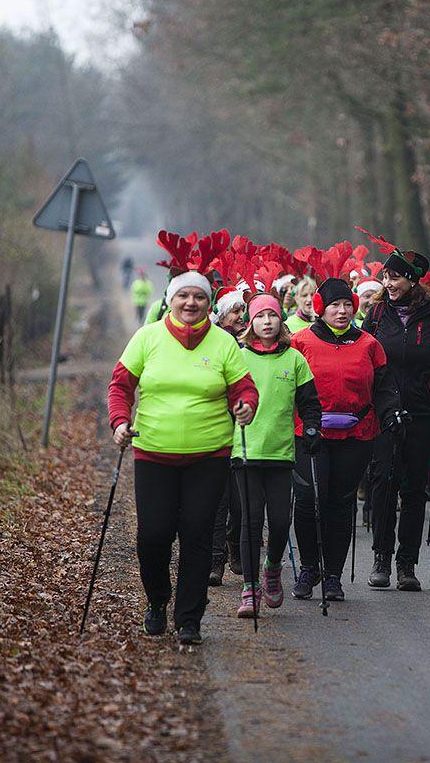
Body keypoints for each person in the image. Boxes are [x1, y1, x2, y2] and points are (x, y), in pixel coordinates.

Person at [108, 231, 258, 645]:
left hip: (208, 456)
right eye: (183, 297)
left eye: (199, 298)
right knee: (153, 536)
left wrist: (246, 405)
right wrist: (120, 421)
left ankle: (189, 618)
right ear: (170, 300)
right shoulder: (148, 338)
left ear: (209, 304)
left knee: (195, 535)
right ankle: (157, 600)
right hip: (153, 452)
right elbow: (120, 386)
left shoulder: (224, 343)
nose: (190, 303)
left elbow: (244, 388)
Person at [290, 278, 400, 600]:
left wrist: (392, 413)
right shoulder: (300, 342)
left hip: (356, 434)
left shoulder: (369, 344)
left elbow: (384, 386)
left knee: (341, 503)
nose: (342, 311)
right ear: (321, 308)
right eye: (335, 306)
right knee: (311, 499)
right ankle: (310, 568)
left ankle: (333, 576)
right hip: (310, 433)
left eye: (347, 306)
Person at [361, 248, 430, 590]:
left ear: (412, 280)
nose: (388, 283)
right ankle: (381, 557)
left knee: (415, 488)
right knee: (384, 481)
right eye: (386, 277)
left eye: (396, 277)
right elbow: (361, 356)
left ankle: (407, 562)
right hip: (384, 411)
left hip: (422, 412)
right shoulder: (375, 315)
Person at [231, 283, 321, 618]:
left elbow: (310, 404)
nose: (267, 321)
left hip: (282, 453)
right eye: (260, 316)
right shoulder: (238, 357)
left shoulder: (294, 359)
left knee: (281, 522)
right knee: (251, 522)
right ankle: (249, 590)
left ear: (281, 321)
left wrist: (312, 427)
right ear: (250, 322)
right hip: (245, 451)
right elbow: (223, 399)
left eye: (272, 315)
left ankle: (272, 567)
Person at [208, 284, 249, 585]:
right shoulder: (211, 343)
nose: (240, 316)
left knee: (239, 501)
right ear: (221, 315)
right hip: (217, 429)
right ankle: (214, 561)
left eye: (243, 311)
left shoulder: (250, 344)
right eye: (235, 311)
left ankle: (235, 548)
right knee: (218, 499)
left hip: (245, 430)